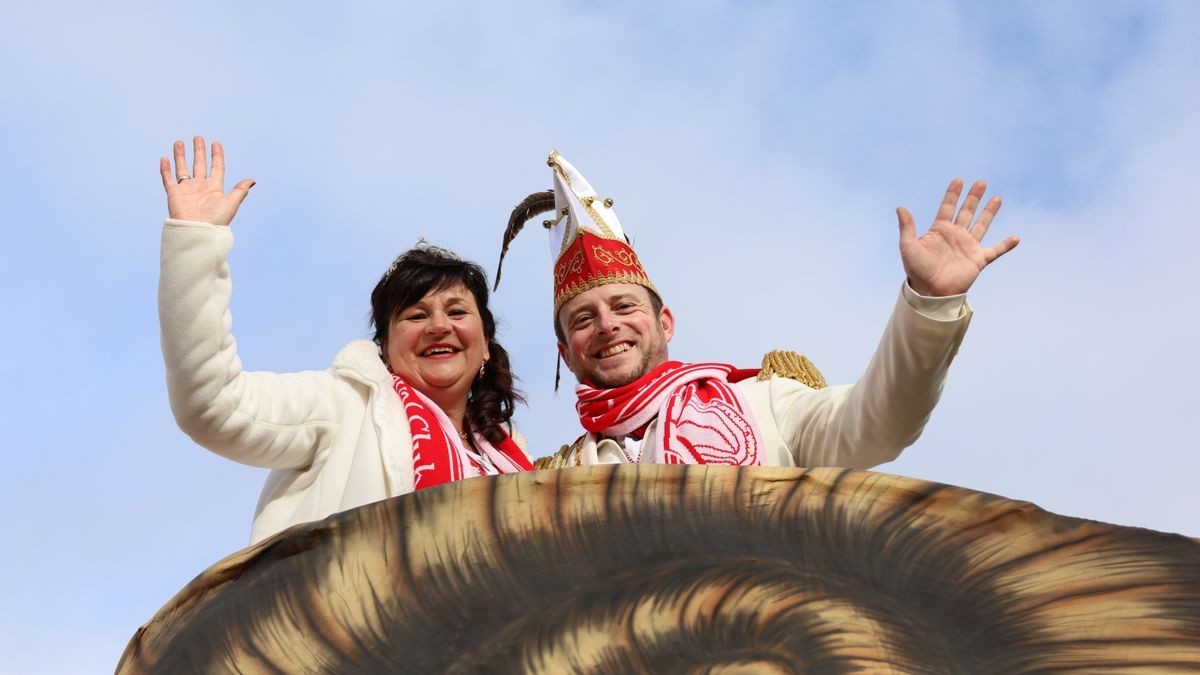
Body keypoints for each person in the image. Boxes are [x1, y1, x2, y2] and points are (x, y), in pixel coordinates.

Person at [499, 151, 1018, 469]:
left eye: (623, 305)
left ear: (665, 323)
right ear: (567, 354)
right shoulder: (559, 476)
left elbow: (880, 424)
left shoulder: (764, 402)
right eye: (583, 319)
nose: (608, 325)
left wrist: (929, 302)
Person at [159, 136, 532, 544]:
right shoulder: (344, 406)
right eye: (415, 315)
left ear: (485, 346)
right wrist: (197, 240)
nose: (438, 326)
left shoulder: (515, 460)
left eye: (457, 312)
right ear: (385, 349)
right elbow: (213, 403)